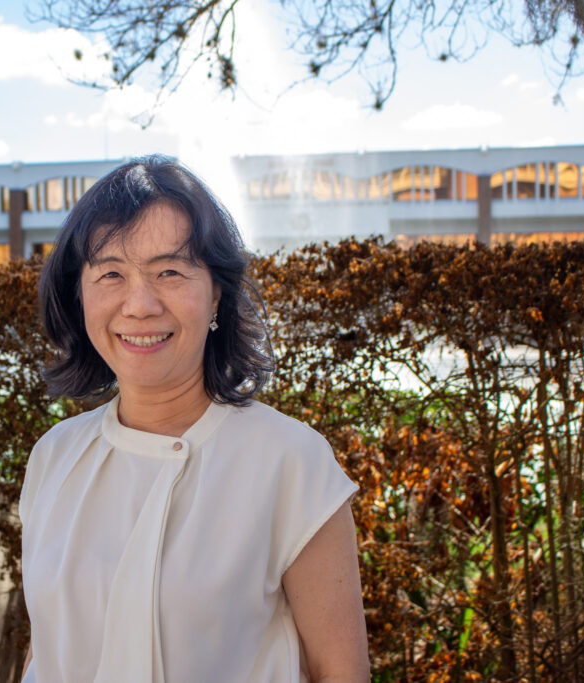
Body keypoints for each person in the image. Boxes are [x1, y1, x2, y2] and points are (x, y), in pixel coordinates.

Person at [21, 156, 369, 682]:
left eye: (170, 272)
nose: (138, 305)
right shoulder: (54, 456)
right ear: (80, 292)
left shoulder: (289, 461)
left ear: (216, 296)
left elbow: (339, 672)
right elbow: (46, 652)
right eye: (111, 273)